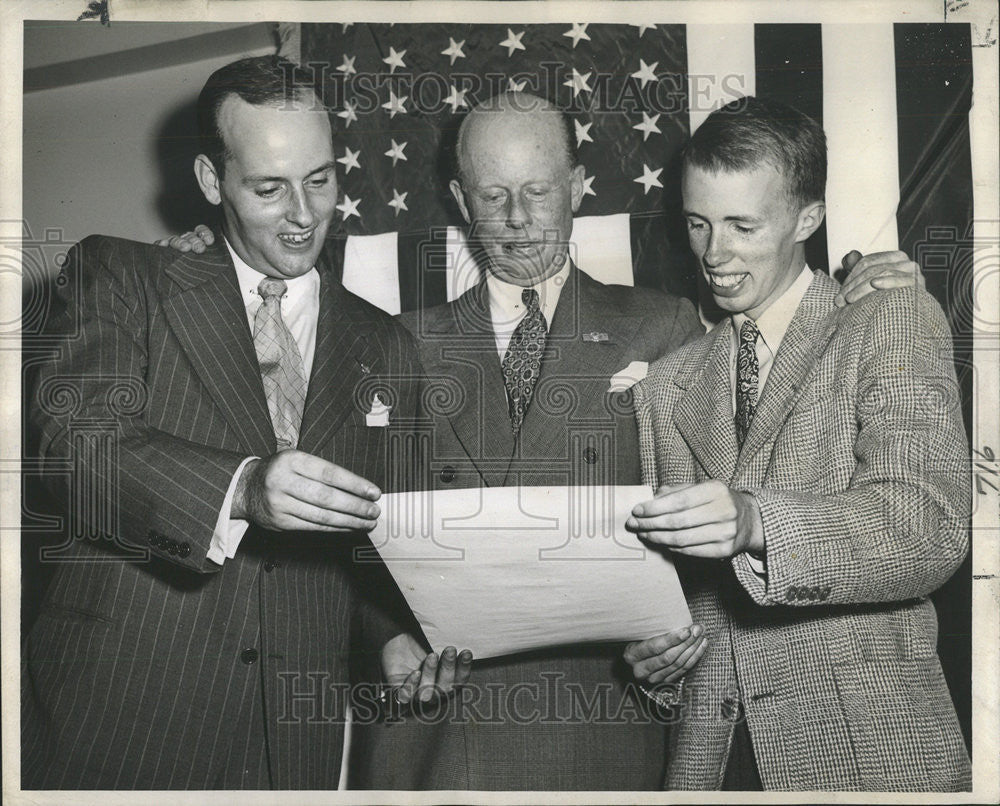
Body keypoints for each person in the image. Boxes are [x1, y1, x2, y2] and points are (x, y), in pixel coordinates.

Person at [164, 91, 925, 791]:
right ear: (461, 199)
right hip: (437, 743)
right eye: (494, 197)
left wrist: (856, 277)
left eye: (538, 192)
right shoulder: (391, 342)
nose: (520, 218)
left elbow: (761, 404)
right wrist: (386, 641)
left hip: (607, 733)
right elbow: (347, 536)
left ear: (577, 188)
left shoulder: (669, 329)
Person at [21, 55, 467, 791]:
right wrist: (240, 489)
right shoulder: (122, 276)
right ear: (210, 181)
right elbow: (73, 447)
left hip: (291, 750)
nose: (303, 214)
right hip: (115, 729)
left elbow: (376, 550)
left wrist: (389, 639)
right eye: (269, 187)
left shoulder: (386, 346)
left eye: (320, 180)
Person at [625, 96, 971, 791]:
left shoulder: (887, 316)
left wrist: (759, 521)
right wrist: (652, 661)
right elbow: (682, 602)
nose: (713, 254)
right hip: (711, 764)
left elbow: (929, 527)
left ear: (807, 218)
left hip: (869, 759)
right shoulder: (665, 385)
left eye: (742, 225)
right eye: (698, 223)